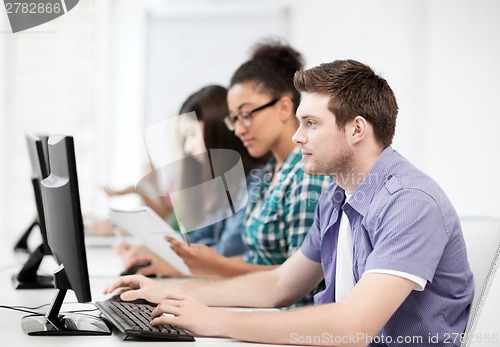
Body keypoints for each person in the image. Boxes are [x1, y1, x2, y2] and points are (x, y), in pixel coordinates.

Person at [104, 59, 473, 346]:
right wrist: (171, 293)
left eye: (311, 123)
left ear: (357, 129)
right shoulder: (337, 194)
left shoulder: (409, 204)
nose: (296, 137)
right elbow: (280, 284)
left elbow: (353, 327)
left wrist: (215, 320)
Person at [165, 41, 332, 291]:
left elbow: (302, 279)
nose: (240, 129)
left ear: (284, 107)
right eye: (234, 119)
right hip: (255, 301)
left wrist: (217, 265)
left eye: (246, 115)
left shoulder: (306, 175)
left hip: (287, 315)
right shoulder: (266, 174)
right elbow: (255, 259)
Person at [115, 85, 268, 277]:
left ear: (218, 133)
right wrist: (154, 252)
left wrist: (169, 265)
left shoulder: (254, 184)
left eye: (192, 134)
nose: (188, 147)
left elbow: (225, 254)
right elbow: (197, 241)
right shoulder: (220, 185)